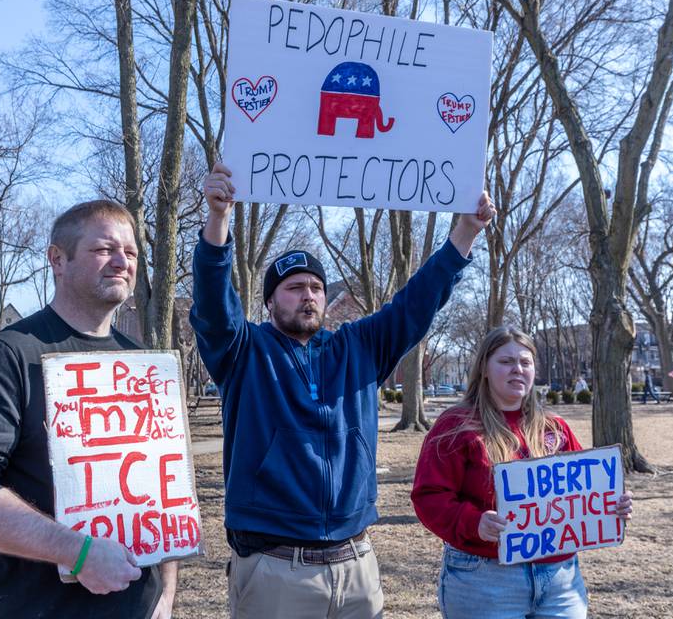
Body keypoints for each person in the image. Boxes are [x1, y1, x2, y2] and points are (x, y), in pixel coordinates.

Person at [190, 162, 496, 618]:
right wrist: (218, 222)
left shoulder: (360, 346)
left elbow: (418, 301)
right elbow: (215, 306)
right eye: (294, 288)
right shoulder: (244, 351)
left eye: (316, 287)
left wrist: (466, 231)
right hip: (276, 570)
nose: (308, 295)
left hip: (356, 566)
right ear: (270, 301)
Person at [0, 201, 176, 618]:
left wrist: (166, 595)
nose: (122, 261)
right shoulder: (8, 354)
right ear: (57, 259)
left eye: (132, 253)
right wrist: (77, 553)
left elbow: (165, 490)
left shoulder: (143, 362)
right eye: (104, 249)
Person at [411, 326, 633, 619]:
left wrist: (611, 505)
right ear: (484, 369)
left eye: (525, 362)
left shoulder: (555, 428)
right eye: (506, 361)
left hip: (560, 580)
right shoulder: (456, 425)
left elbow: (582, 493)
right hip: (485, 578)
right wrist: (473, 521)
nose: (517, 369)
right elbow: (429, 497)